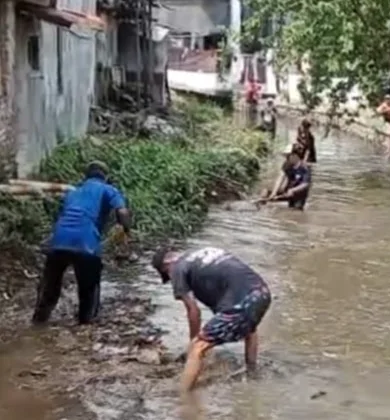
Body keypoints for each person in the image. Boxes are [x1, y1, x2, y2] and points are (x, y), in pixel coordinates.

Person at [151, 247, 272, 392]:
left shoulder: (177, 268)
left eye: (167, 275)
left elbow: (193, 311)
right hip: (262, 293)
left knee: (198, 347)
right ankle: (252, 373)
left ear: (166, 265)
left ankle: (184, 397)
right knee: (249, 328)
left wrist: (193, 344)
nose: (171, 279)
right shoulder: (201, 254)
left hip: (243, 302)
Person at [33, 161, 132, 325]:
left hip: (58, 240)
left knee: (49, 289)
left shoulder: (74, 191)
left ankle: (38, 324)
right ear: (105, 177)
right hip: (86, 242)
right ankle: (85, 324)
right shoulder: (109, 189)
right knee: (89, 289)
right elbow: (122, 211)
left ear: (85, 176)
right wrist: (127, 230)